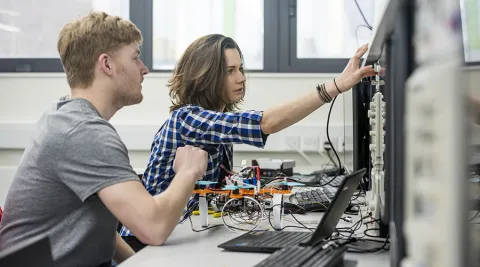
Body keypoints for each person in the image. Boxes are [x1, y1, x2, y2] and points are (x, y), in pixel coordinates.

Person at [119, 34, 376, 248]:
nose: (241, 77)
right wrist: (336, 86)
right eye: (230, 71)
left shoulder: (218, 121)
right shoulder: (188, 120)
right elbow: (266, 123)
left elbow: (218, 192)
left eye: (240, 68)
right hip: (145, 245)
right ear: (205, 76)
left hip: (183, 235)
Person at [0, 11, 208, 267]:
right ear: (107, 64)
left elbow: (96, 226)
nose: (144, 69)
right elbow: (154, 228)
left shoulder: (63, 113)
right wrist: (187, 172)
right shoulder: (84, 132)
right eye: (136, 57)